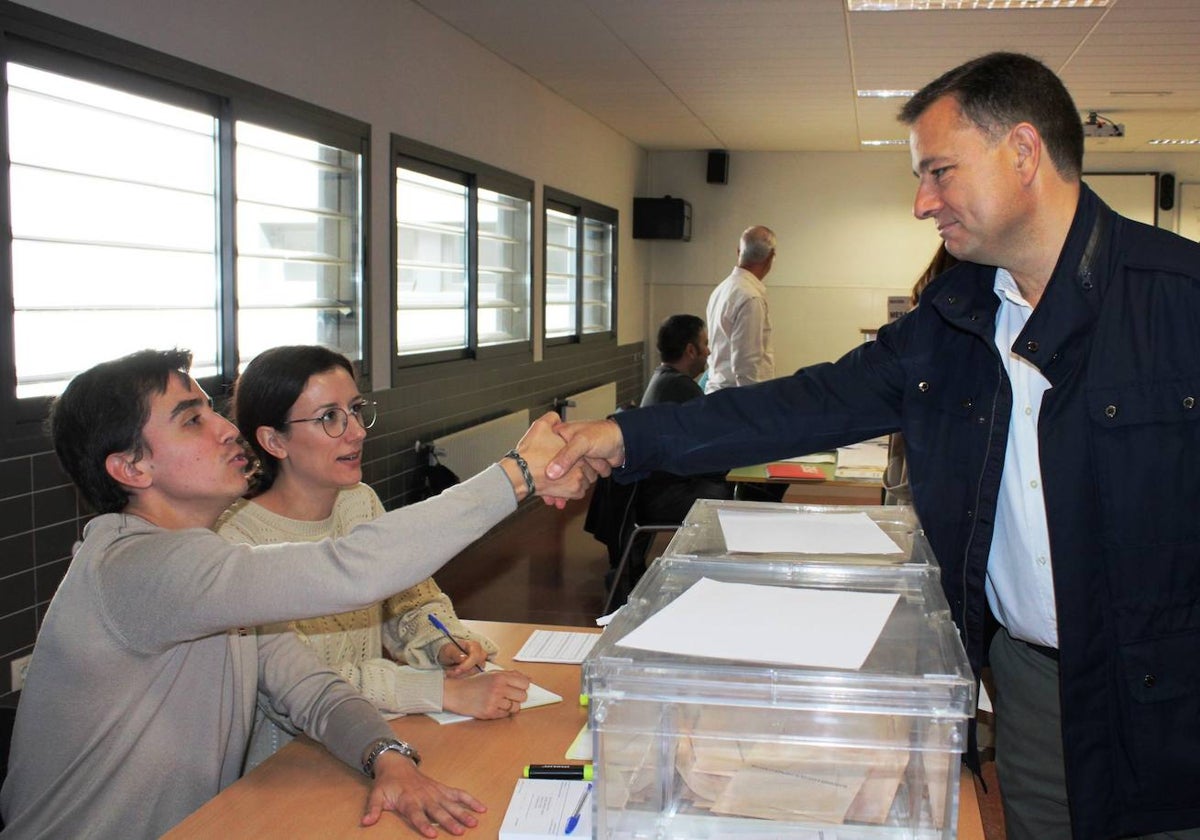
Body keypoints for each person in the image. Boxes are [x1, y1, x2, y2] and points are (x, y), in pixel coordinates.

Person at [547, 52, 1200, 840]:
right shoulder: (957, 318)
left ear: (1023, 153)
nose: (923, 202)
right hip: (1031, 689)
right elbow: (806, 403)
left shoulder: (1179, 301)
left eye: (939, 172)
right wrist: (622, 434)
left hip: (1169, 701)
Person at [0, 348, 589, 839]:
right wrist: (518, 474)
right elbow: (350, 570)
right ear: (131, 469)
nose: (226, 427)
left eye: (211, 408)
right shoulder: (136, 566)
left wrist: (390, 759)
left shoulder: (212, 577)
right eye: (191, 419)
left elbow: (310, 689)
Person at [216, 346, 532, 772]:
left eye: (356, 409)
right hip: (291, 763)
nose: (357, 432)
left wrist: (446, 646)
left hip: (382, 734)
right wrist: (442, 692)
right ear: (273, 441)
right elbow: (304, 685)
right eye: (329, 417)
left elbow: (412, 600)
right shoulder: (236, 540)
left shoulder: (358, 501)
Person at [703, 224, 777, 394]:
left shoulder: (722, 289)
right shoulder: (751, 298)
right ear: (771, 256)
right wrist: (753, 409)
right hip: (737, 400)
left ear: (738, 252)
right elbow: (747, 365)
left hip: (718, 392)